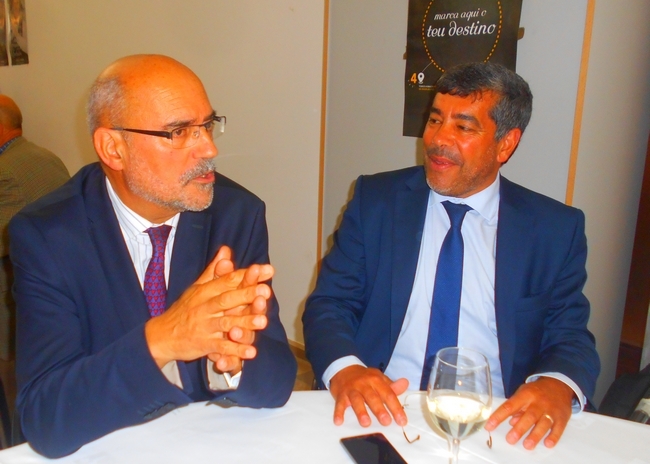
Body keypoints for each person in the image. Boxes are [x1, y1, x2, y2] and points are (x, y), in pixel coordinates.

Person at [9, 55, 297, 458]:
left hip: (207, 445)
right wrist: (163, 339)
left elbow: (278, 380)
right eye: (178, 132)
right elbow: (46, 419)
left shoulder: (236, 214)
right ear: (113, 148)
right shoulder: (48, 236)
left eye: (207, 125)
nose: (209, 147)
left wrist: (234, 361)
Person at [303, 62, 600, 451]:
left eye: (463, 127)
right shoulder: (376, 201)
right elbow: (330, 304)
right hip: (385, 409)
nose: (438, 139)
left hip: (497, 422)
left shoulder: (553, 229)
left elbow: (570, 335)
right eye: (435, 120)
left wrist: (556, 384)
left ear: (506, 144)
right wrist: (348, 370)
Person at [0, 94, 69, 371]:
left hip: (15, 298)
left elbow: (5, 238)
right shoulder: (46, 156)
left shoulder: (5, 171)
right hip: (58, 290)